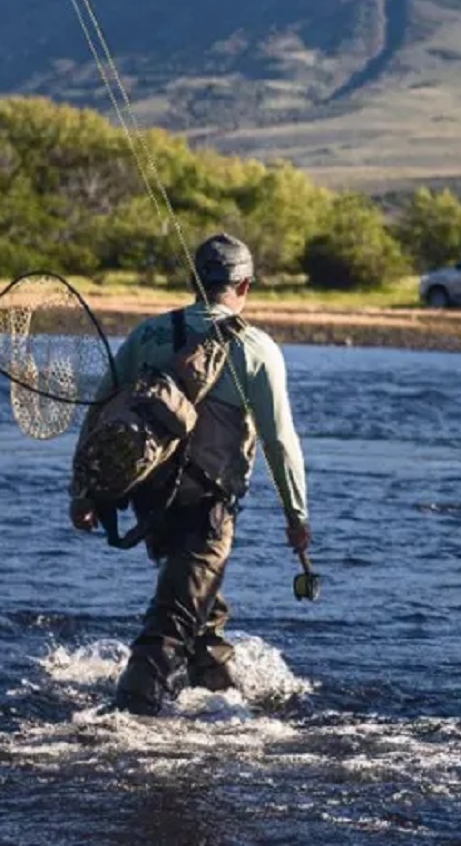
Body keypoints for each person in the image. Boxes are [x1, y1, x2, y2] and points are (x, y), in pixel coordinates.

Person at [69, 232, 311, 716]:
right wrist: (296, 516)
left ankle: (220, 695)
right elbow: (279, 442)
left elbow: (98, 413)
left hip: (147, 499)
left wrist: (84, 492)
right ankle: (127, 717)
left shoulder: (147, 334)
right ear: (244, 287)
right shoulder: (257, 349)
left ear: (193, 281)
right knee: (173, 617)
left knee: (198, 604)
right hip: (208, 506)